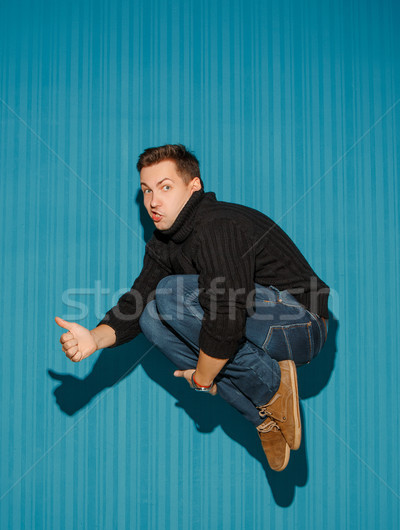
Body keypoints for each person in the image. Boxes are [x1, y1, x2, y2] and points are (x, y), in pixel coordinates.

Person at [55, 144, 329, 471]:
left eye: (165, 187)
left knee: (170, 292)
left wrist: (202, 377)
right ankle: (262, 412)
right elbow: (137, 300)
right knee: (151, 316)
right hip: (255, 329)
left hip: (300, 324)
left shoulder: (218, 224)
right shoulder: (164, 245)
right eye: (146, 190)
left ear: (193, 186)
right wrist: (95, 338)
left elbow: (228, 311)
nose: (153, 201)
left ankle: (270, 387)